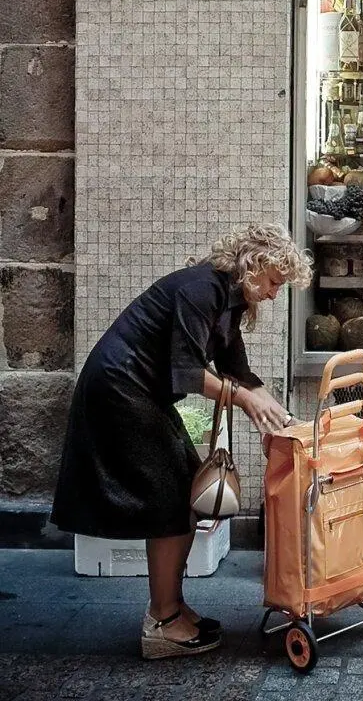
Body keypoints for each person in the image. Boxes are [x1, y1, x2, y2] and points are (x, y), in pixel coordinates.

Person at [51, 223, 312, 659]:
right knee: (173, 496)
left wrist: (282, 417)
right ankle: (163, 620)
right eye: (273, 282)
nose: (272, 294)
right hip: (120, 390)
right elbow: (189, 374)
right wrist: (243, 400)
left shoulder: (227, 298)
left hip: (138, 390)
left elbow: (238, 370)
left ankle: (171, 608)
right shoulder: (201, 289)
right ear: (254, 267)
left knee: (186, 488)